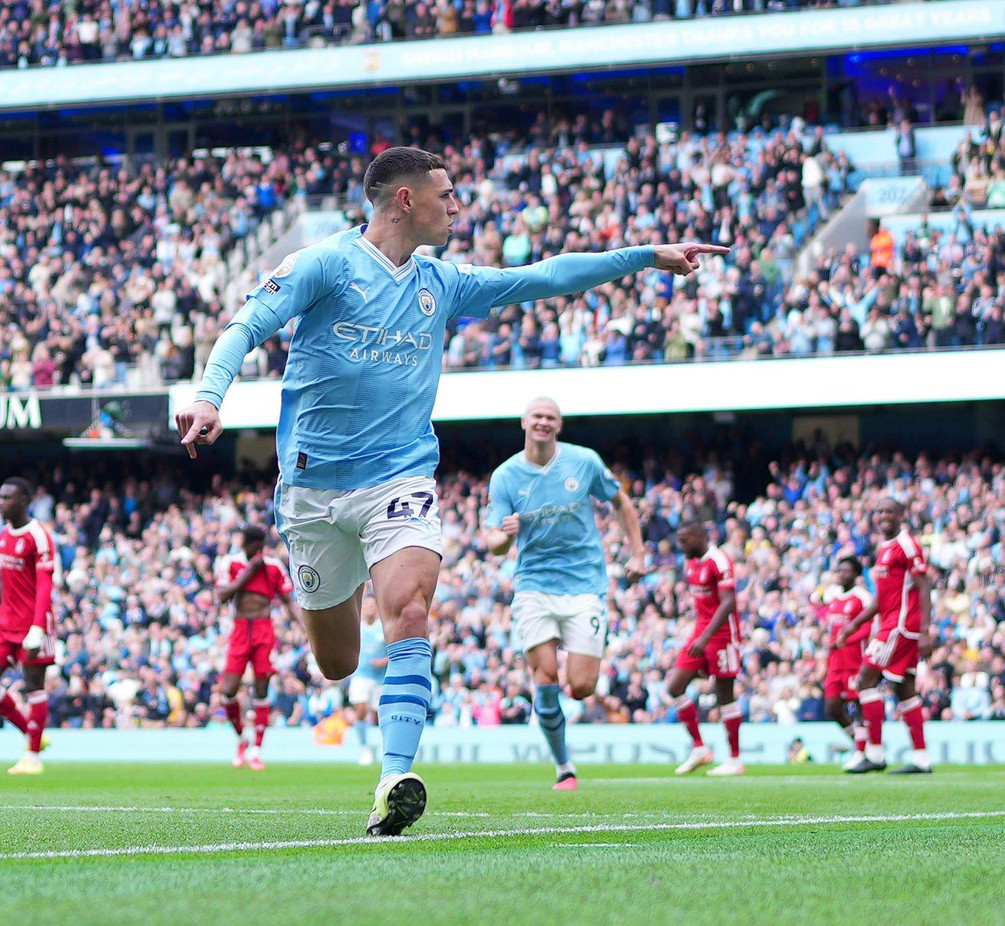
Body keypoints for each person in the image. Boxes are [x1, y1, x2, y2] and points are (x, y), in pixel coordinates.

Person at [176, 145, 726, 835]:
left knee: (410, 611)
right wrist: (208, 397)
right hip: (312, 492)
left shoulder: (446, 280)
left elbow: (547, 277)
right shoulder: (325, 264)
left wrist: (646, 254)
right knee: (336, 662)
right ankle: (341, 615)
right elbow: (245, 325)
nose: (459, 204)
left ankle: (392, 780)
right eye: (448, 193)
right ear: (406, 200)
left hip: (398, 478)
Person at [483, 396, 647, 790]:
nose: (543, 422)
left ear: (559, 425)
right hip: (534, 586)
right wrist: (504, 540)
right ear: (524, 421)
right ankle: (564, 767)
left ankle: (566, 714)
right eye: (537, 416)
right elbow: (492, 541)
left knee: (582, 686)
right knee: (545, 676)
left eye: (550, 418)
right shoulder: (505, 476)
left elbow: (620, 500)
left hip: (584, 584)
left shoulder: (584, 461)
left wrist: (638, 552)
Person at [0, 478, 58, 776]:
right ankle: (31, 732)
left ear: (24, 500)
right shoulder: (5, 534)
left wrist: (38, 628)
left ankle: (32, 757)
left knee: (34, 685)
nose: (0, 502)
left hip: (33, 624)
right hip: (5, 624)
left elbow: (46, 584)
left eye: (7, 497)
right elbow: (4, 581)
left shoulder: (39, 536)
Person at [841, 498, 934, 774]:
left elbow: (924, 584)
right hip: (890, 623)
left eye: (889, 511)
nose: (883, 516)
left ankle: (875, 753)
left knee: (865, 680)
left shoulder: (907, 545)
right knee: (904, 689)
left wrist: (927, 629)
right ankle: (921, 759)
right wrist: (853, 625)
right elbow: (881, 599)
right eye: (879, 511)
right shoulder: (884, 549)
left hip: (901, 626)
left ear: (901, 514)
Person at [663, 520, 745, 777]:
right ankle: (699, 748)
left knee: (725, 697)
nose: (681, 546)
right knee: (674, 686)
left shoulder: (718, 561)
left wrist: (705, 638)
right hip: (700, 634)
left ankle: (734, 759)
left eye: (685, 540)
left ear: (700, 536)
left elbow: (728, 603)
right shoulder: (691, 563)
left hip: (722, 636)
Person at [216, 523, 300, 770]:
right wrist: (249, 572)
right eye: (253, 547)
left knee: (261, 686)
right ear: (245, 545)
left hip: (263, 628)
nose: (257, 552)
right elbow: (222, 595)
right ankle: (242, 738)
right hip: (240, 628)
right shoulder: (230, 563)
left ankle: (256, 750)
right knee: (228, 690)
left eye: (260, 547)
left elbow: (288, 600)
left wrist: (304, 628)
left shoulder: (273, 566)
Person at [816, 557, 873, 770]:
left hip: (855, 661)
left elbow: (868, 628)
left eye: (846, 571)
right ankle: (860, 745)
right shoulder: (834, 597)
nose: (841, 574)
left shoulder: (863, 597)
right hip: (835, 663)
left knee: (858, 707)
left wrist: (846, 640)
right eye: (839, 571)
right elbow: (832, 629)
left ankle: (861, 751)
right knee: (831, 708)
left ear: (856, 574)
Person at [348, 597, 388, 766]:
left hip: (379, 678)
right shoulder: (356, 627)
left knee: (378, 716)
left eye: (373, 605)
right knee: (360, 709)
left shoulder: (384, 627)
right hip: (360, 675)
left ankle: (383, 748)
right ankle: (364, 747)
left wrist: (383, 661)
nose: (370, 608)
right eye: (367, 605)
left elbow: (395, 650)